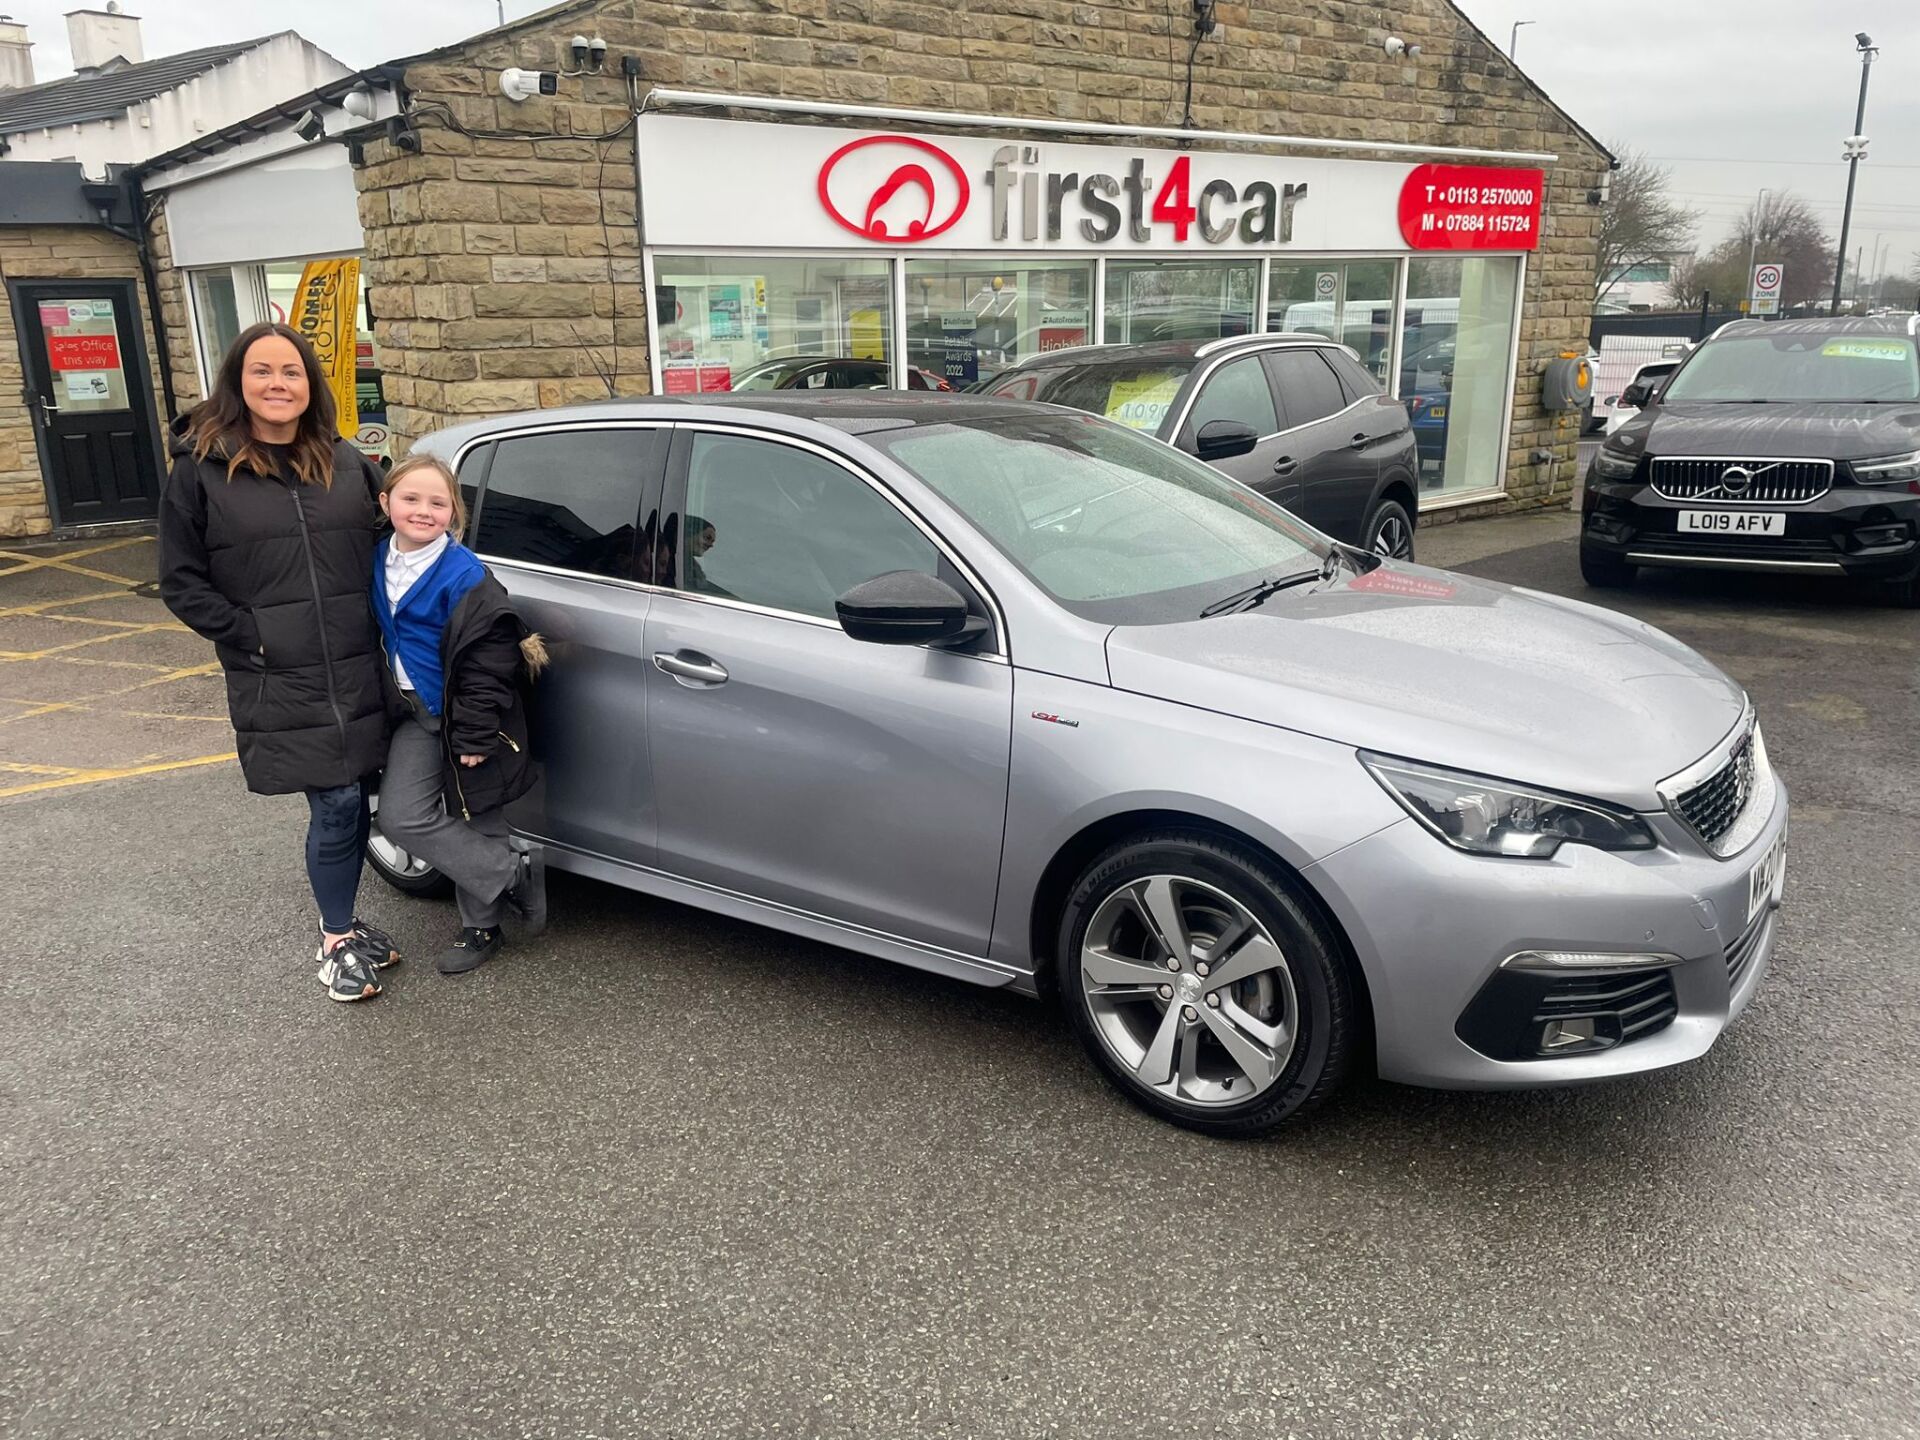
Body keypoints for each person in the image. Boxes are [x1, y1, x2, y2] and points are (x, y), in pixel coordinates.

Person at [158, 322, 399, 1002]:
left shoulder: (346, 462)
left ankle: (347, 923)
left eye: (290, 372)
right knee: (336, 801)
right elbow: (180, 581)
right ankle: (335, 942)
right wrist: (250, 636)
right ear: (238, 382)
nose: (277, 384)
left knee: (356, 795)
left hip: (357, 662)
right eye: (261, 371)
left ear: (309, 385)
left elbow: (396, 542)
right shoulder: (200, 472)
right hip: (277, 670)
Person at [370, 454, 549, 975]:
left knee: (479, 812)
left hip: (466, 715)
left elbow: (488, 664)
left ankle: (481, 928)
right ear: (385, 503)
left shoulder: (467, 577)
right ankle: (509, 872)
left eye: (438, 502)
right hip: (412, 712)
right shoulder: (375, 558)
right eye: (410, 498)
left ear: (454, 513)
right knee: (402, 816)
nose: (423, 511)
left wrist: (474, 736)